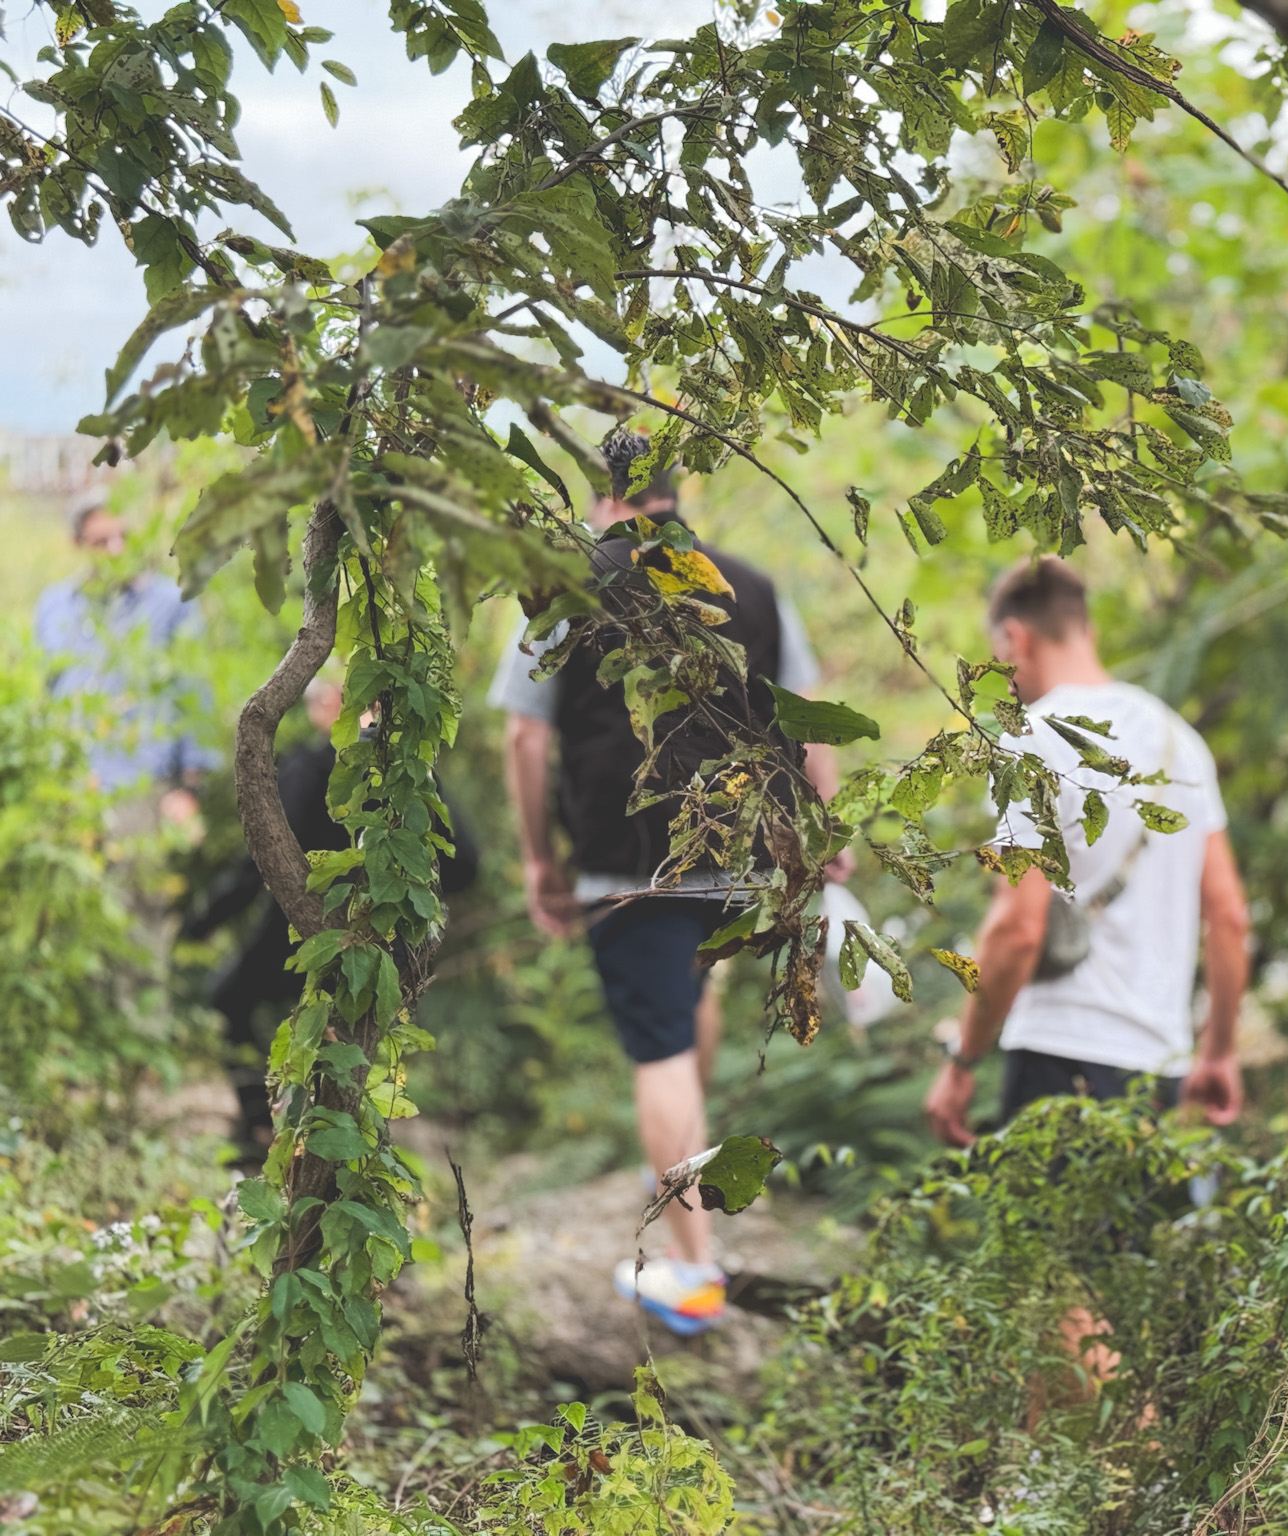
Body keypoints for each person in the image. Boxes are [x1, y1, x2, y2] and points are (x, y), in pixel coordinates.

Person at [490, 436, 842, 1336]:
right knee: (689, 1009)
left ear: (605, 499)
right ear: (674, 493)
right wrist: (823, 831)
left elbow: (526, 734)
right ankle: (689, 1174)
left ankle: (692, 1267)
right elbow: (807, 719)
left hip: (630, 861)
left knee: (661, 1052)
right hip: (747, 854)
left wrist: (539, 860)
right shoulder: (747, 584)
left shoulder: (568, 590)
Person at [922, 556, 1249, 1145]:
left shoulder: (1032, 739)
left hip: (1059, 1057)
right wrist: (1219, 1051)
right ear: (1087, 632)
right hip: (1161, 1070)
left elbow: (1018, 928)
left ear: (1014, 639)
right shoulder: (1179, 741)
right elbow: (1228, 917)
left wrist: (963, 1062)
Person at [182, 678, 477, 1153]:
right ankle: (306, 1130)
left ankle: (265, 1125)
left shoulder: (311, 767)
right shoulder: (411, 771)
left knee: (232, 1000)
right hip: (386, 944)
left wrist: (201, 922)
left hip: (303, 932)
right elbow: (465, 864)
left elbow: (260, 862)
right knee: (343, 1034)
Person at [33, 489, 209, 822]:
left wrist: (190, 790)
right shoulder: (53, 606)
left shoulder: (172, 604)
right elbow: (43, 693)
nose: (116, 550)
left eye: (123, 537)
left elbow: (195, 695)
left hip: (142, 789)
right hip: (70, 790)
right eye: (102, 542)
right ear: (78, 544)